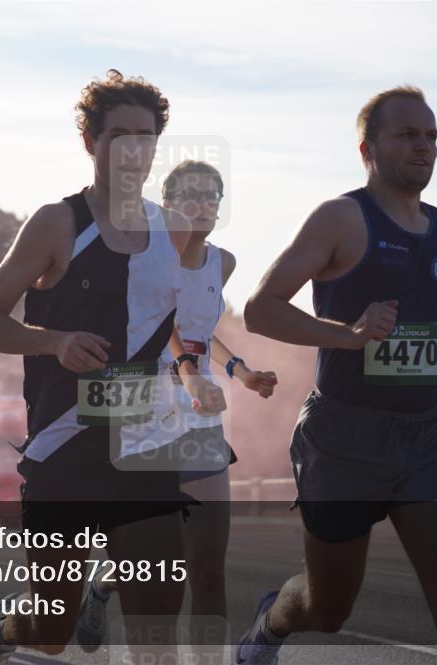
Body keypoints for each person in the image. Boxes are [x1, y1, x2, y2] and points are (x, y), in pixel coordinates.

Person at [237, 85, 437, 665]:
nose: (424, 146)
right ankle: (270, 624)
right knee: (327, 609)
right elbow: (261, 308)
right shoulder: (341, 217)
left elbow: (434, 302)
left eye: (432, 136)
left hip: (425, 438)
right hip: (343, 437)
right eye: (408, 134)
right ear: (367, 149)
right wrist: (347, 334)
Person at [0, 69, 225, 665]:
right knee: (51, 629)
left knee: (158, 621)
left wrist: (192, 373)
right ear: (91, 142)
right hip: (65, 445)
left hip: (146, 443)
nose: (134, 149)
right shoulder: (58, 223)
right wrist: (53, 341)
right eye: (119, 136)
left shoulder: (174, 229)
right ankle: (6, 633)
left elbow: (167, 322)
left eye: (146, 136)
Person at [73, 161, 279, 652]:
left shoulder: (221, 262)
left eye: (211, 195)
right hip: (142, 417)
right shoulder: (141, 257)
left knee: (207, 568)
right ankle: (102, 585)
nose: (201, 204)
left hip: (200, 419)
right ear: (165, 202)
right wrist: (186, 369)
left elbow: (202, 330)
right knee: (152, 566)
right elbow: (159, 321)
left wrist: (240, 371)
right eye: (188, 195)